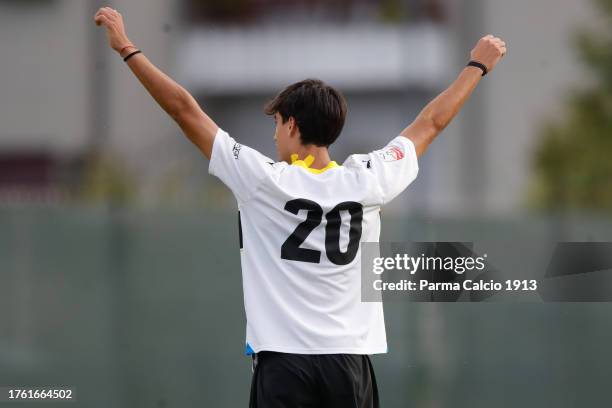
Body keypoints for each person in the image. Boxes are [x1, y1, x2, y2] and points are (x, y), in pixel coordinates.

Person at [94, 7, 506, 407]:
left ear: (292, 125)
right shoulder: (368, 177)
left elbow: (184, 111)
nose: (274, 136)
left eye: (277, 124)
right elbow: (430, 123)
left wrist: (127, 48)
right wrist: (476, 66)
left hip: (284, 364)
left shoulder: (262, 179)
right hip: (349, 364)